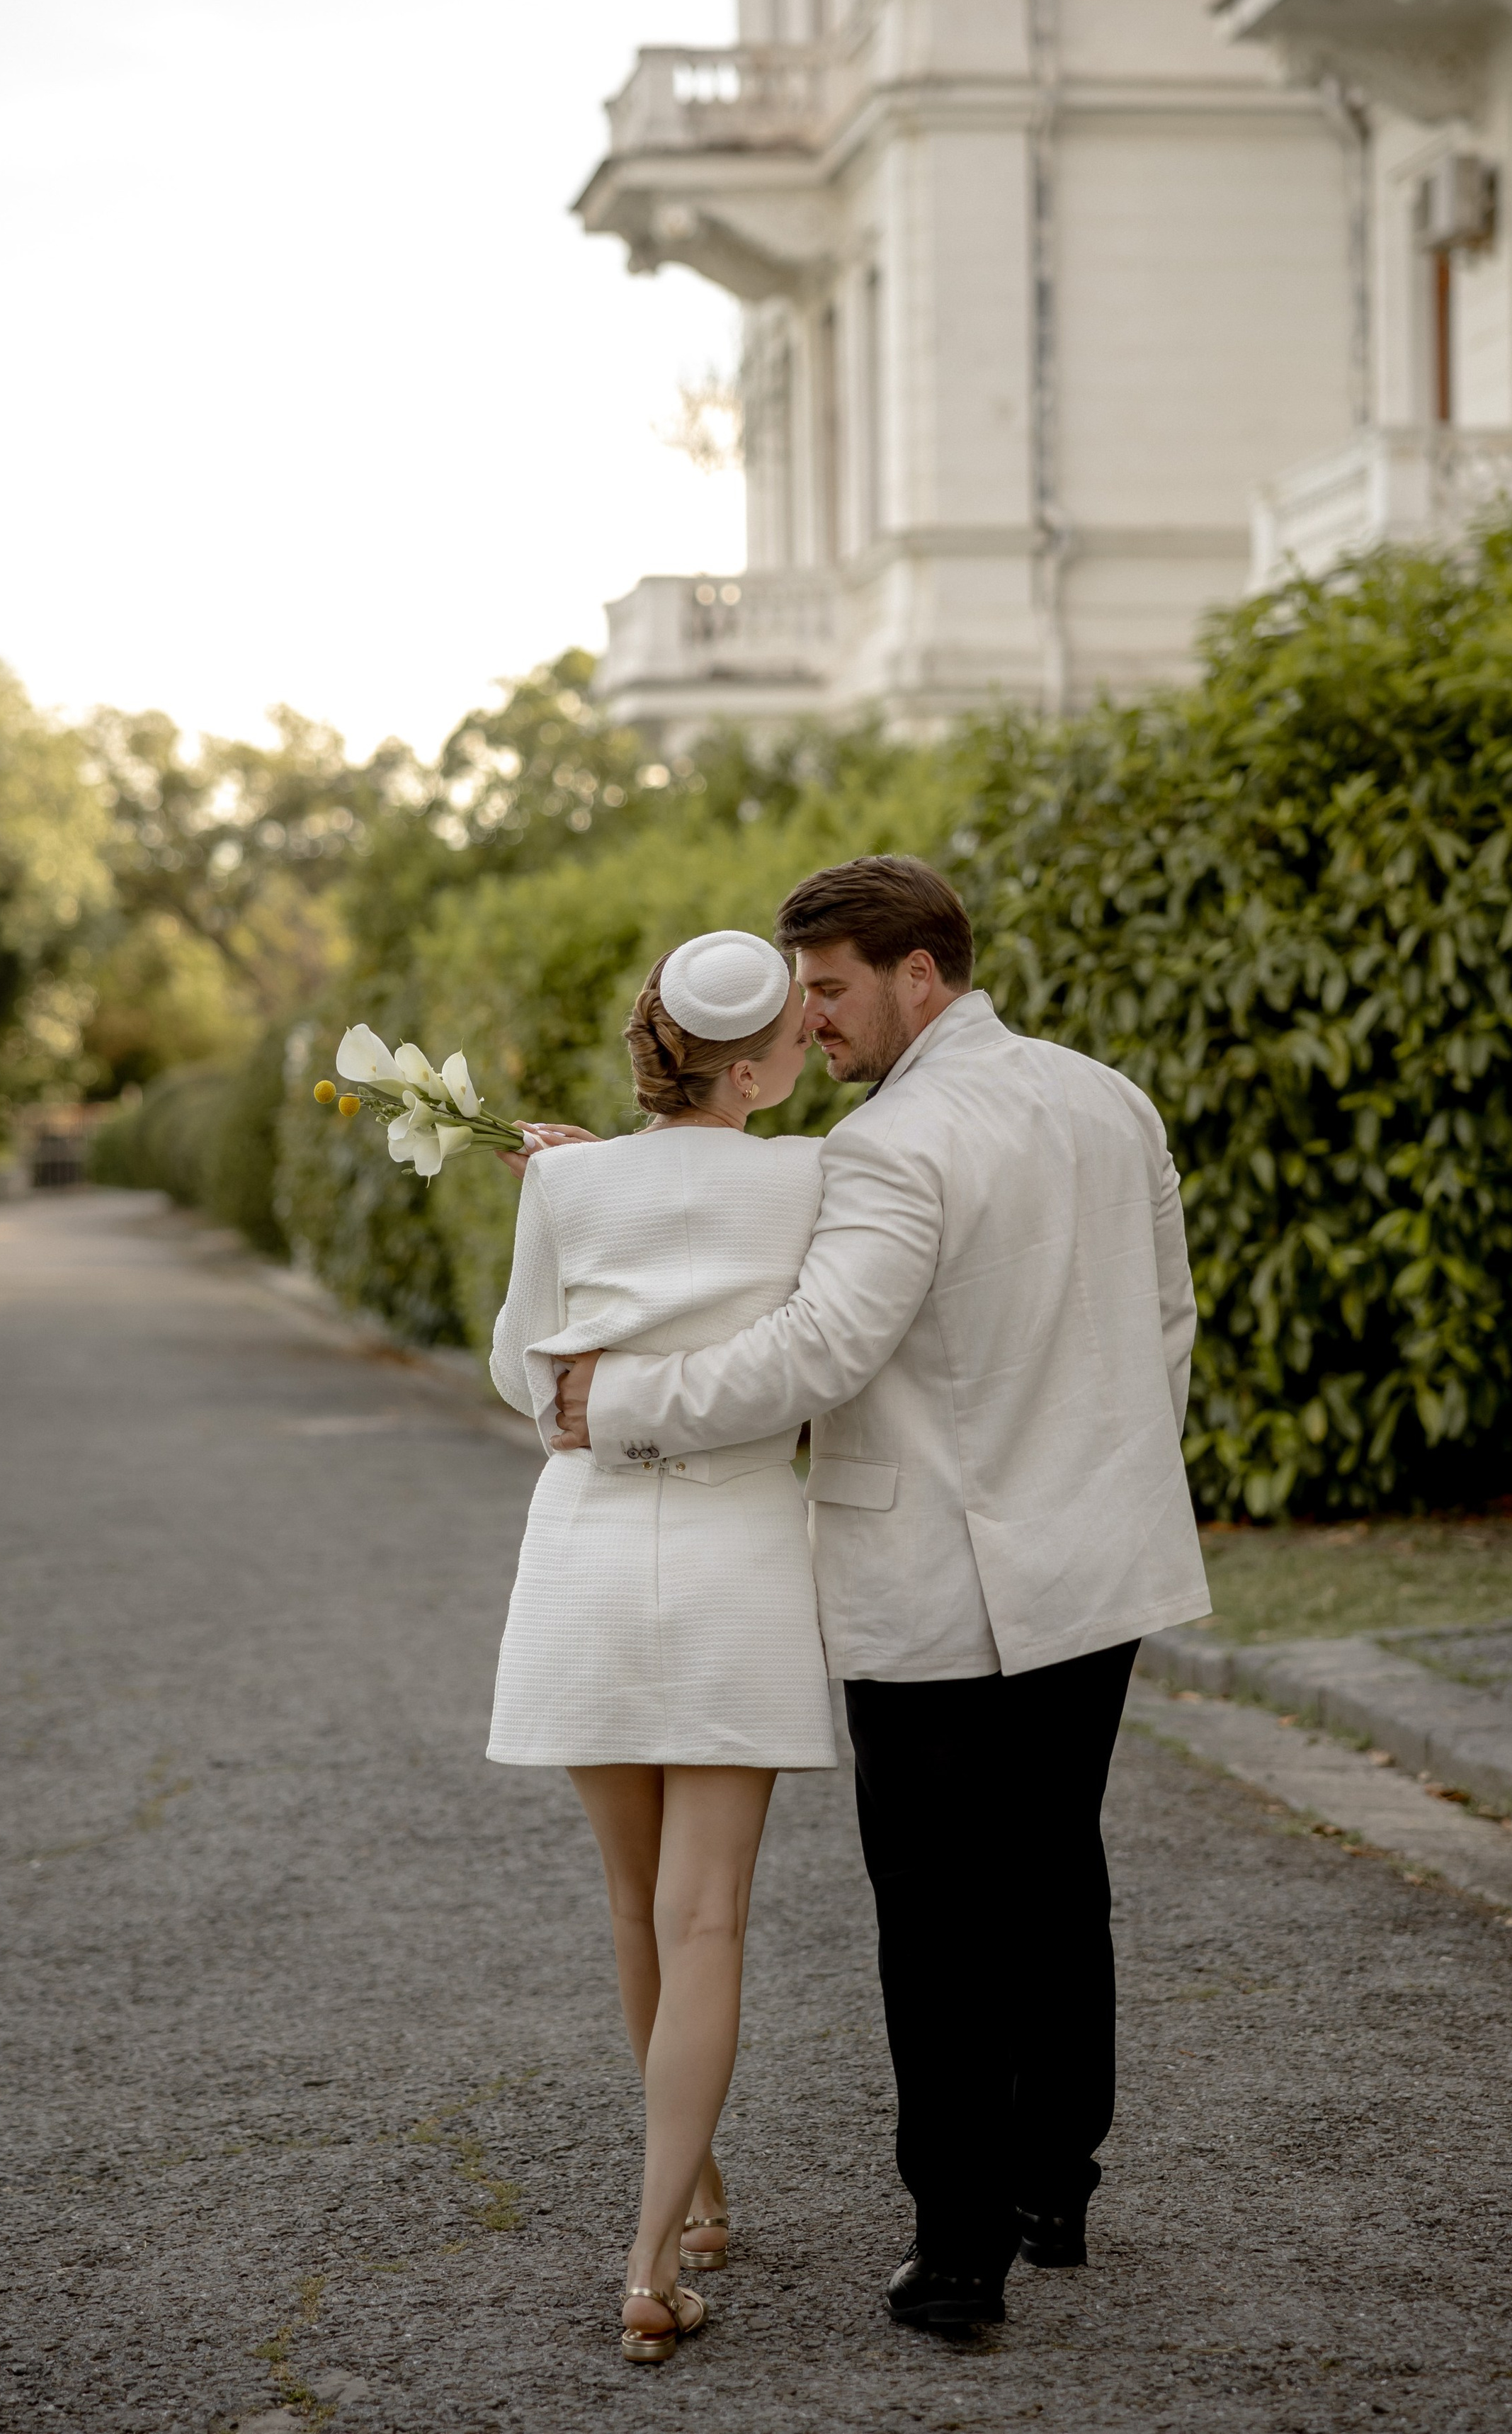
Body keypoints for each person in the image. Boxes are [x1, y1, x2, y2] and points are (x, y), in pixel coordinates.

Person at [550, 855, 1211, 2330]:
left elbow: (813, 1356)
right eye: (799, 994)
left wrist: (624, 1400)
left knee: (932, 1909)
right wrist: (1096, 1471)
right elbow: (1162, 1322)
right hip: (1095, 1558)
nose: (815, 1019)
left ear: (923, 973)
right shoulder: (1110, 1097)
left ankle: (957, 2248)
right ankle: (1054, 2186)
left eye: (832, 988)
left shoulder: (885, 1148)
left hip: (931, 1576)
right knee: (1054, 1865)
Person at [484, 930, 836, 2365]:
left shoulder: (564, 1176)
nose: (817, 1044)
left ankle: (693, 2194)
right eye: (799, 1034)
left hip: (583, 1551)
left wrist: (577, 1196)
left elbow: (525, 1370)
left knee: (634, 1905)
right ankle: (649, 2250)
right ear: (750, 1064)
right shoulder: (816, 1176)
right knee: (709, 1919)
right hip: (735, 1558)